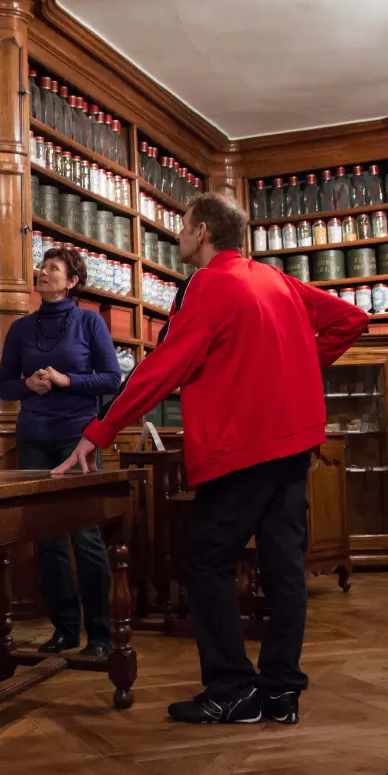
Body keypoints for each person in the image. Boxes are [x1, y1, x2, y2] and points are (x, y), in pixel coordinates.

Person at [54, 192, 368, 724]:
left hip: (243, 446)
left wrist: (101, 431)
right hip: (294, 443)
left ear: (202, 232)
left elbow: (164, 367)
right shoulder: (274, 279)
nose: (179, 237)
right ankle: (281, 692)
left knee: (205, 558)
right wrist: (290, 366)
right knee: (284, 567)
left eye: (181, 227)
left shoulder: (209, 284)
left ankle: (231, 690)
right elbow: (351, 319)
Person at [0, 246, 121, 658]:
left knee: (85, 535)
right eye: (42, 266)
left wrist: (68, 380)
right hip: (33, 436)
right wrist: (27, 386)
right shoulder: (20, 329)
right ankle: (65, 629)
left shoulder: (89, 322)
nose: (43, 272)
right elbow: (3, 386)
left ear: (71, 282)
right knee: (47, 537)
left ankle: (100, 634)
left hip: (76, 436)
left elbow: (110, 380)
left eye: (54, 269)